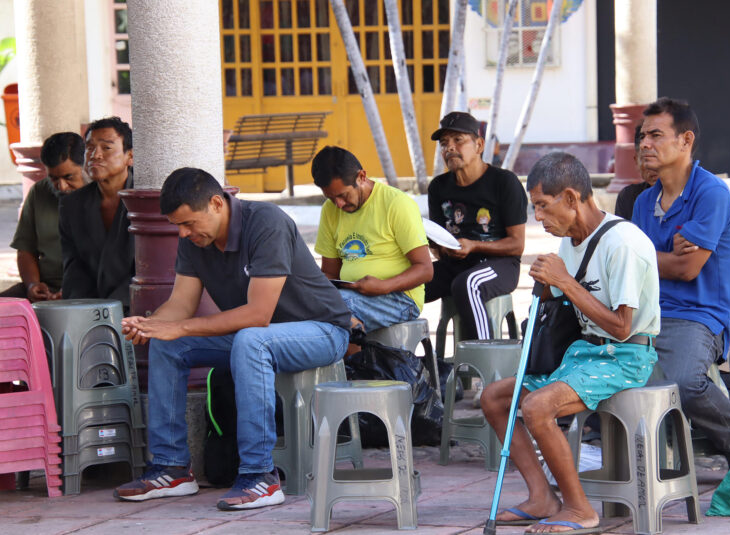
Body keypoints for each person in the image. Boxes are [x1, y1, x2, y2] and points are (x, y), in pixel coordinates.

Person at [113, 168, 351, 510]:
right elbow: (181, 304)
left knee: (251, 340)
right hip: (255, 337)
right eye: (177, 225)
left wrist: (180, 327)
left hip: (321, 330)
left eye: (189, 223)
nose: (183, 233)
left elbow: (258, 315)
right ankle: (172, 467)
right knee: (169, 342)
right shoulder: (194, 238)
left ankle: (260, 477)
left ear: (216, 203)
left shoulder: (266, 222)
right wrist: (151, 326)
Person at [481, 152, 660, 533]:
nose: (539, 219)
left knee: (538, 406)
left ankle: (580, 509)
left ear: (571, 198)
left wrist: (565, 283)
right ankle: (542, 496)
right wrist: (549, 289)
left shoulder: (622, 243)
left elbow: (623, 327)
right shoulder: (571, 241)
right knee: (496, 397)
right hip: (584, 354)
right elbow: (570, 297)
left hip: (625, 356)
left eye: (543, 207)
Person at [632, 97, 730, 465]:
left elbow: (686, 270)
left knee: (684, 381)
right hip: (650, 312)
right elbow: (635, 265)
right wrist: (659, 256)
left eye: (656, 135)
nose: (645, 143)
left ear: (685, 140)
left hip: (699, 314)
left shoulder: (710, 193)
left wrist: (648, 256)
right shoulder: (644, 201)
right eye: (643, 135)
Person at [426, 111, 527, 341]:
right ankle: (393, 361)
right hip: (455, 263)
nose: (449, 148)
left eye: (458, 140)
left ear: (479, 145)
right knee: (408, 280)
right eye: (444, 144)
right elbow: (437, 237)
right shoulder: (438, 187)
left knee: (469, 284)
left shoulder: (504, 182)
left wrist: (473, 245)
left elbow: (517, 244)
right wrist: (438, 248)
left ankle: (482, 365)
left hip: (499, 265)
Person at [312, 146, 432, 332]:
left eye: (343, 195)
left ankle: (358, 357)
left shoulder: (396, 203)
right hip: (348, 296)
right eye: (331, 198)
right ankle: (354, 355)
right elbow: (330, 273)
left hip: (399, 298)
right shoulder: (330, 210)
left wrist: (384, 286)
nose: (339, 204)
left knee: (337, 310)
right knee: (305, 304)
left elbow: (425, 270)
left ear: (361, 177)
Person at [58, 116, 134, 311]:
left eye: (106, 148)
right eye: (90, 148)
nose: (95, 155)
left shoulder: (145, 202)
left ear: (130, 156)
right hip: (89, 308)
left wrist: (114, 307)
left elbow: (152, 267)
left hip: (135, 307)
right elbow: (74, 267)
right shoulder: (71, 205)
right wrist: (84, 310)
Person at [0, 132, 86, 301]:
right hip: (46, 287)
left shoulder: (101, 195)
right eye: (53, 178)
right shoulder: (40, 192)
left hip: (87, 290)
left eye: (69, 177)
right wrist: (33, 285)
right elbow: (25, 249)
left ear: (87, 167)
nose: (61, 186)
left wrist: (74, 290)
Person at [614, 123, 659, 221]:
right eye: (645, 160)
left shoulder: (693, 193)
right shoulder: (628, 197)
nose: (652, 167)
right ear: (636, 161)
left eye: (656, 159)